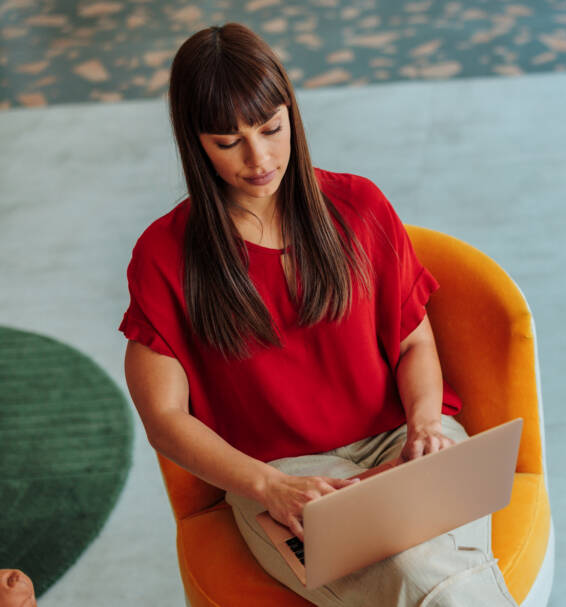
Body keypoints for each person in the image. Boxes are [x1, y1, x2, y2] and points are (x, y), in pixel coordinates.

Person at [119, 22, 517, 607]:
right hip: (281, 479)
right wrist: (269, 486)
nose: (259, 158)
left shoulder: (359, 206)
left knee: (425, 576)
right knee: (424, 577)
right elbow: (164, 419)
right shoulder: (164, 255)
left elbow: (414, 345)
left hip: (403, 442)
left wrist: (427, 423)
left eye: (271, 129)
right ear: (194, 141)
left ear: (292, 116)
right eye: (228, 142)